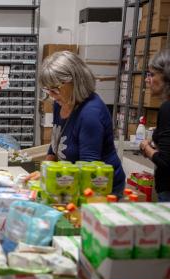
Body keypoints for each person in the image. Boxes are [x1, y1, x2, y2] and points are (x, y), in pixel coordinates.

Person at [26, 51, 125, 195]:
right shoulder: (61, 102)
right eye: (47, 90)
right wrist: (44, 172)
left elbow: (89, 171)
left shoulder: (90, 114)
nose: (51, 96)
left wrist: (52, 180)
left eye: (54, 89)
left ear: (75, 80)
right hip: (71, 182)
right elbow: (56, 143)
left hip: (100, 189)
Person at [139, 50, 170, 202]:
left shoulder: (167, 108)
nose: (147, 80)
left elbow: (166, 161)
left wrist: (146, 148)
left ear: (166, 77)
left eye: (151, 75)